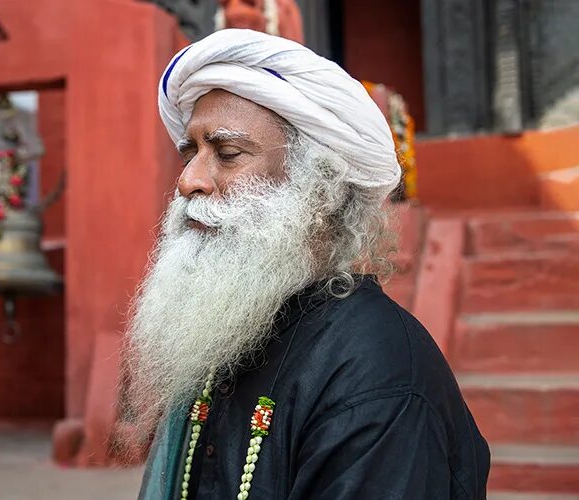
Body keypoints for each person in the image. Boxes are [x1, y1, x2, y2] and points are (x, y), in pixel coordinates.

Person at [126, 29, 490, 499]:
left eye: (228, 153)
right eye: (191, 153)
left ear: (319, 189)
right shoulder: (229, 333)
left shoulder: (379, 374)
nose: (189, 181)